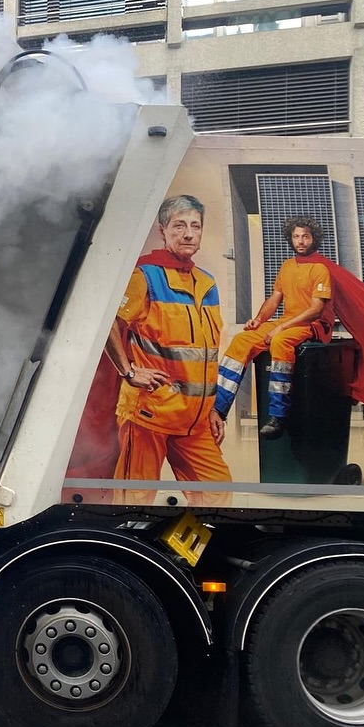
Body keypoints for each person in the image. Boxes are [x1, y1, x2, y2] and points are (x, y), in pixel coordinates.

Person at [104, 194, 232, 506]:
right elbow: (108, 323)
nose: (188, 233)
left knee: (218, 495)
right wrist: (129, 372)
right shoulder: (145, 277)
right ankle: (132, 553)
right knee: (135, 500)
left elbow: (206, 356)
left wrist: (213, 408)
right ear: (163, 230)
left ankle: (185, 555)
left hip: (196, 420)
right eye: (179, 226)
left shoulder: (207, 283)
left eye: (195, 226)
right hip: (150, 413)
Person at [211, 215, 334, 440]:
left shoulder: (320, 269)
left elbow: (316, 310)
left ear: (314, 239)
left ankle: (278, 416)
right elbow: (274, 299)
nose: (301, 241)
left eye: (305, 236)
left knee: (280, 341)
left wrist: (281, 328)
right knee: (241, 340)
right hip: (288, 320)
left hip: (313, 324)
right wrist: (258, 320)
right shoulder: (287, 266)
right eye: (296, 237)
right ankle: (218, 408)